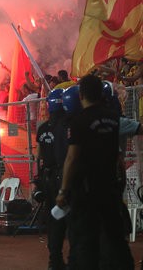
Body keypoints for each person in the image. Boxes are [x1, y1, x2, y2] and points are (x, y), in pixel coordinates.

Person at [55, 75, 134, 269]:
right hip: (110, 187)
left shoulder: (79, 121)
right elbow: (117, 155)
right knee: (115, 238)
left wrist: (63, 191)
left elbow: (72, 158)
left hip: (86, 190)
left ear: (81, 95)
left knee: (84, 242)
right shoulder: (113, 119)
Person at [36, 88, 68, 270]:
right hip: (63, 176)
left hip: (48, 178)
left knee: (54, 219)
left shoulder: (43, 128)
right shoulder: (67, 125)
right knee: (72, 217)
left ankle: (54, 260)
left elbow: (39, 156)